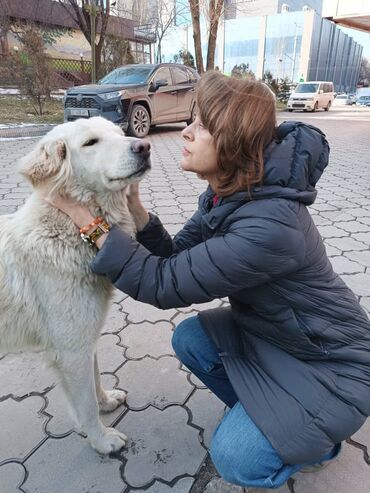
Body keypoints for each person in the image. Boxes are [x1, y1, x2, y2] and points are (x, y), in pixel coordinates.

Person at [48, 71, 370, 489]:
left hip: (333, 366)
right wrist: (139, 210)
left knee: (235, 458)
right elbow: (175, 257)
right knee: (190, 338)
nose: (186, 131)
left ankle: (317, 445)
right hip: (281, 339)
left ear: (232, 143)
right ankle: (272, 417)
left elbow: (160, 284)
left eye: (201, 126)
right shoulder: (231, 195)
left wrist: (83, 219)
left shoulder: (268, 227)